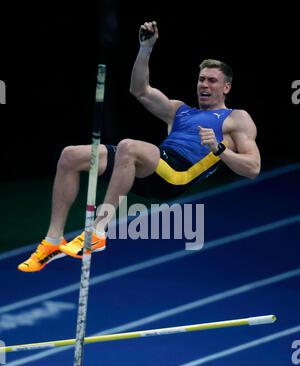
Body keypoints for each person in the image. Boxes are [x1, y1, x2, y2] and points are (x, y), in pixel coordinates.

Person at [18, 21, 261, 273]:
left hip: (176, 175)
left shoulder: (236, 118)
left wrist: (219, 149)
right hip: (151, 168)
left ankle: (97, 232)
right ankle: (53, 241)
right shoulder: (178, 110)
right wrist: (145, 48)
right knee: (70, 156)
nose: (204, 85)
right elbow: (139, 90)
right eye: (201, 80)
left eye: (212, 81)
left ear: (226, 87)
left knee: (129, 146)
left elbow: (253, 168)